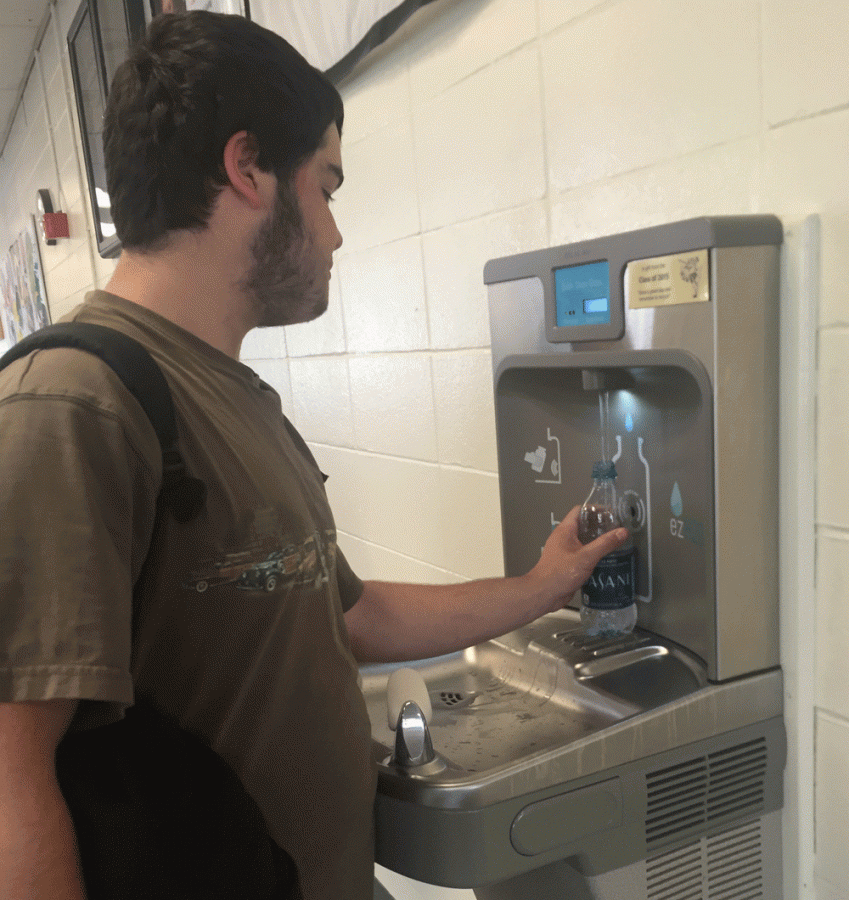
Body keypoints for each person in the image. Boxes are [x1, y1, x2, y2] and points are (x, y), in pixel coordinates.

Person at [0, 11, 627, 900]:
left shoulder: (226, 394)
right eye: (326, 188)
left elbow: (348, 618)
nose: (333, 233)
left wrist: (542, 585)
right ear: (247, 168)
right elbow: (9, 780)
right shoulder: (73, 406)